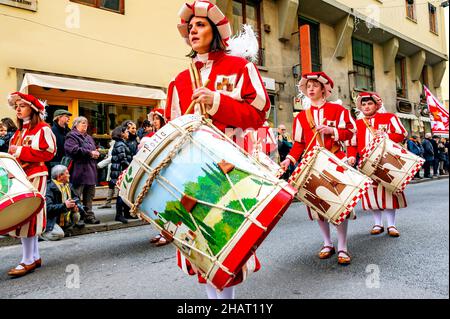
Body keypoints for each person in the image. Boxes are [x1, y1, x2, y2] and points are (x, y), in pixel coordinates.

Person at [165, 0, 270, 299]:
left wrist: (217, 102)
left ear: (214, 30)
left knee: (227, 237)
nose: (193, 30)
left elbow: (258, 113)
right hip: (193, 166)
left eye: (200, 24)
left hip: (231, 163)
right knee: (202, 238)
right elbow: (173, 127)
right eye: (190, 27)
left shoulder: (240, 67)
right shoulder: (180, 79)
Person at [280, 71, 355, 265]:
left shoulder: (339, 111)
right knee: (318, 205)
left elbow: (351, 132)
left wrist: (333, 131)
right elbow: (298, 144)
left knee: (340, 205)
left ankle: (343, 246)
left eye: (315, 85)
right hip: (313, 164)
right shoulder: (301, 118)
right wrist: (288, 160)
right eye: (308, 86)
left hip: (335, 162)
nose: (310, 88)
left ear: (324, 89)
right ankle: (327, 243)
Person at [6, 92, 56, 277]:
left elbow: (48, 153)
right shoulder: (19, 132)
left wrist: (19, 150)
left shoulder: (43, 128)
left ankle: (27, 260)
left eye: (22, 106)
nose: (18, 109)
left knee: (27, 215)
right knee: (26, 215)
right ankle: (33, 256)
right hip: (21, 176)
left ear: (33, 109)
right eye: (16, 107)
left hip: (35, 174)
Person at [347, 92, 408, 238]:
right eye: (364, 104)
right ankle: (377, 224)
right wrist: (350, 156)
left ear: (376, 105)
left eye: (369, 104)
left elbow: (402, 134)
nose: (366, 107)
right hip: (366, 162)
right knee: (372, 193)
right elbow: (351, 143)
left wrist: (386, 135)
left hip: (386, 161)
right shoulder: (358, 124)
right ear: (360, 107)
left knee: (389, 192)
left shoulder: (389, 118)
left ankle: (391, 225)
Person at [64, 116, 101, 224]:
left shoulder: (89, 137)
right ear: (76, 124)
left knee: (89, 196)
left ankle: (88, 216)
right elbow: (73, 149)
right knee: (76, 195)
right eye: (82, 123)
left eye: (86, 123)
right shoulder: (71, 136)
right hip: (78, 170)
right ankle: (76, 217)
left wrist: (96, 153)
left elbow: (93, 149)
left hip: (90, 170)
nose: (85, 125)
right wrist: (90, 153)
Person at [42, 165, 84, 241]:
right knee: (59, 234)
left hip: (62, 217)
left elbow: (76, 198)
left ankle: (64, 228)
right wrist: (65, 205)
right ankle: (40, 235)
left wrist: (76, 205)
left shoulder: (68, 186)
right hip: (51, 219)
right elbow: (48, 208)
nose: (69, 175)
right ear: (59, 176)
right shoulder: (49, 188)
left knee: (76, 215)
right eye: (67, 173)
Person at [109, 126, 133, 223]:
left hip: (119, 171)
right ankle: (119, 215)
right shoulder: (120, 144)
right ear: (121, 133)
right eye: (127, 131)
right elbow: (123, 160)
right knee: (121, 194)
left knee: (124, 193)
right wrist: (131, 167)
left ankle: (126, 214)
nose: (128, 133)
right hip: (120, 172)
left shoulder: (121, 143)